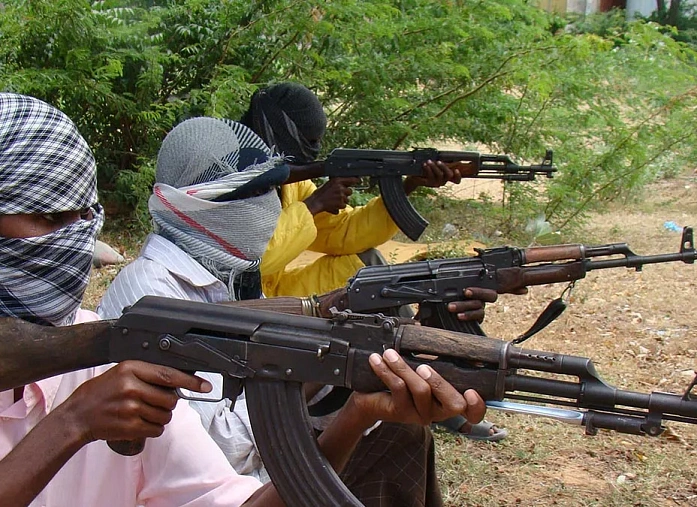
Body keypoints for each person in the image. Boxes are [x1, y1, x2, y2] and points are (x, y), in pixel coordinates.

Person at [0, 94, 484, 507]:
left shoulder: (198, 298)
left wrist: (355, 409)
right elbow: (231, 443)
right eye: (47, 218)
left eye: (86, 216)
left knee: (400, 434)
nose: (75, 238)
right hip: (246, 455)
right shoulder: (134, 316)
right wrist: (73, 422)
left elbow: (223, 492)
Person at [240, 82, 508, 442]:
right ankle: (421, 385)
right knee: (373, 285)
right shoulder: (237, 176)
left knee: (374, 271)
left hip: (284, 291)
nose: (309, 153)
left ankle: (424, 376)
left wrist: (407, 186)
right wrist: (315, 204)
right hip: (252, 302)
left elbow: (343, 234)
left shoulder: (292, 184)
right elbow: (255, 256)